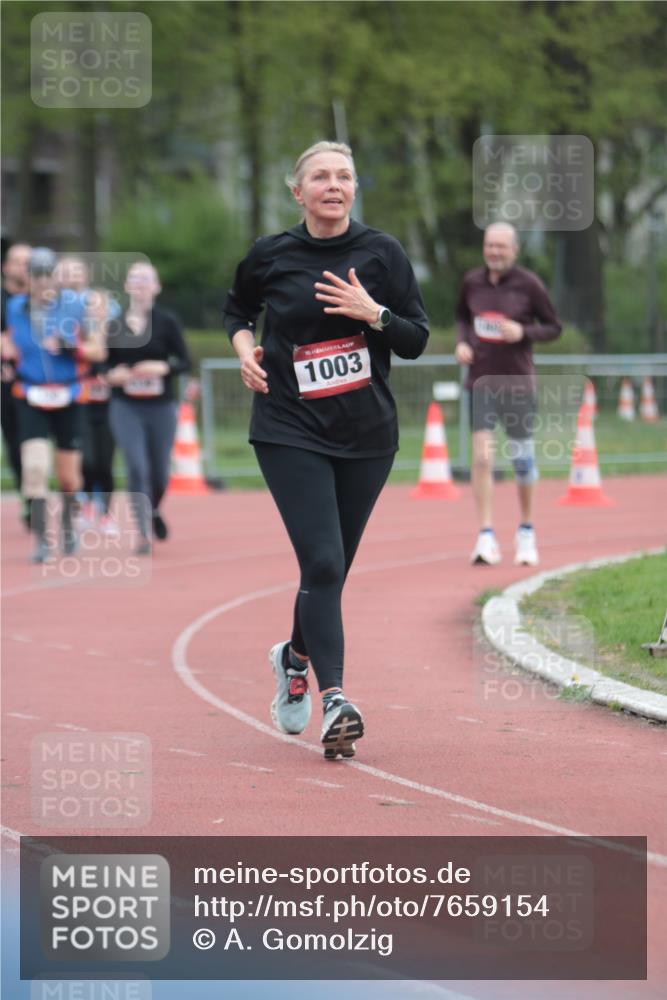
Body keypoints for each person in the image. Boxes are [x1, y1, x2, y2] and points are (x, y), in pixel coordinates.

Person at [223, 140, 429, 759]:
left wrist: (376, 314)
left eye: (343, 176)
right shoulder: (272, 254)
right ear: (298, 191)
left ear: (354, 189)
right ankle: (335, 697)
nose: (332, 185)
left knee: (330, 568)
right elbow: (237, 308)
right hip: (289, 427)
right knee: (322, 562)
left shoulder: (382, 253)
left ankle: (293, 658)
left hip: (366, 436)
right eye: (320, 177)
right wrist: (243, 351)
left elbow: (417, 338)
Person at [454, 222, 562, 566]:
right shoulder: (472, 282)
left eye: (501, 247)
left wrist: (523, 331)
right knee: (483, 458)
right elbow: (461, 317)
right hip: (480, 383)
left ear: (515, 250)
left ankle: (526, 529)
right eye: (489, 246)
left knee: (522, 462)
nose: (494, 252)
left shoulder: (529, 284)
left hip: (517, 385)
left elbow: (553, 327)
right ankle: (485, 535)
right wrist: (461, 343)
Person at [4, 248, 106, 562]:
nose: (43, 283)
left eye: (48, 276)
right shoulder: (14, 307)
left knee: (68, 479)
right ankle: (42, 540)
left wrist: (69, 346)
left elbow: (98, 351)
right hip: (30, 394)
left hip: (68, 396)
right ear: (28, 279)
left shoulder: (76, 307)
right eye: (36, 276)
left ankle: (66, 524)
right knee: (34, 470)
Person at [106, 262, 191, 554]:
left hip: (160, 406)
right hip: (125, 405)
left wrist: (163, 367)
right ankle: (143, 534)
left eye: (146, 279)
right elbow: (101, 363)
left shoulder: (167, 321)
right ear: (128, 286)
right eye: (135, 279)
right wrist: (110, 374)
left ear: (156, 287)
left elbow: (184, 362)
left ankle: (153, 510)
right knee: (136, 466)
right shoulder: (114, 324)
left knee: (159, 473)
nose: (141, 285)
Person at [55, 256, 118, 535]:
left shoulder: (117, 333)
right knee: (86, 459)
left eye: (100, 307)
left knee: (104, 460)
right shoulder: (71, 329)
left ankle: (105, 513)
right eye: (91, 309)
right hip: (80, 399)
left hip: (109, 403)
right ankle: (83, 506)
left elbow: (116, 358)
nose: (96, 312)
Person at [1, 242, 31, 512]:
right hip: (7, 382)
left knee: (38, 442)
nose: (23, 266)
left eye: (28, 261)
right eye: (17, 261)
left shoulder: (44, 299)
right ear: (5, 267)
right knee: (16, 441)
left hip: (41, 382)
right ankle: (28, 495)